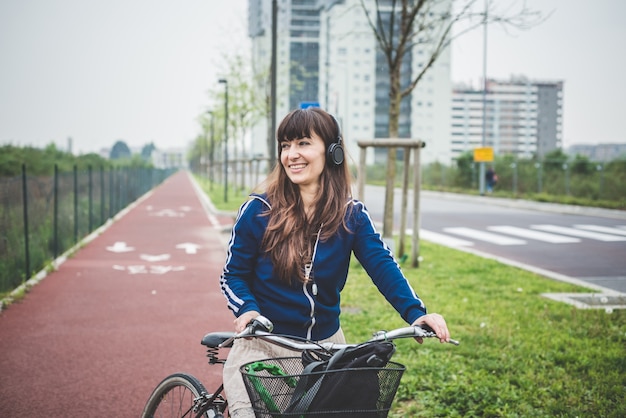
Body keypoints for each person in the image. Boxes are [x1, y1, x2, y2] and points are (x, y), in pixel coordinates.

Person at [220, 107, 451, 418]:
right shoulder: (258, 210)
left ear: (332, 152)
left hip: (326, 349)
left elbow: (382, 265)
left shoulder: (351, 215)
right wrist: (247, 309)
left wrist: (416, 313)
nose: (291, 154)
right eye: (285, 145)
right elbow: (233, 275)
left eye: (303, 143)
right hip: (263, 346)